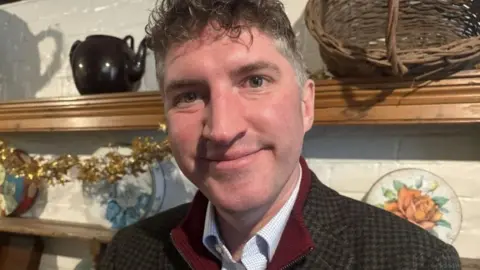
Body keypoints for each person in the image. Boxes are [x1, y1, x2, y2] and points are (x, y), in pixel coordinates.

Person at [98, 0, 462, 269]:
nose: (222, 129)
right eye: (189, 95)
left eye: (255, 81)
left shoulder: (416, 262)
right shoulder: (128, 254)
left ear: (306, 105)